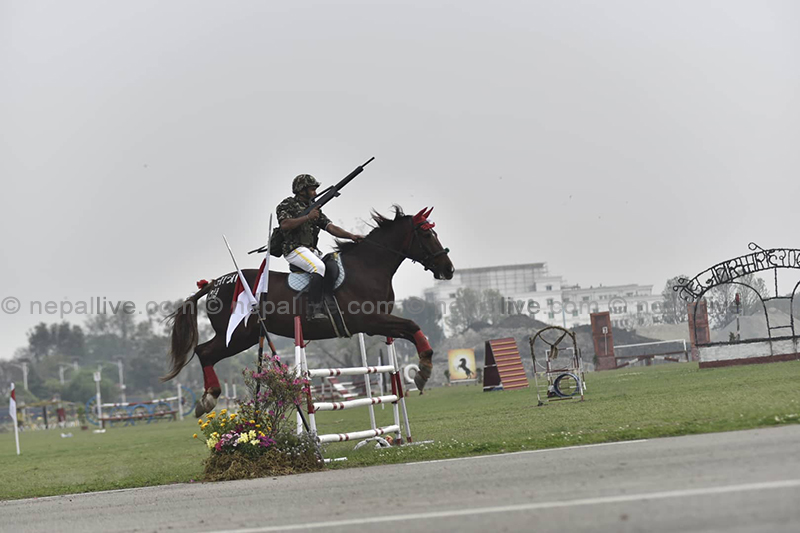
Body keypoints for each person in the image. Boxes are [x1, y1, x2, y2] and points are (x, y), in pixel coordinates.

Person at [276, 174, 364, 319]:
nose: (315, 193)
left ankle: (328, 299)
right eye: (312, 190)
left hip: (311, 250)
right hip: (294, 249)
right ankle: (314, 309)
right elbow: (285, 225)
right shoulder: (287, 204)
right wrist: (307, 217)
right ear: (301, 190)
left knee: (333, 265)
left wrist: (351, 236)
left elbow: (330, 227)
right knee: (319, 267)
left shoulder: (313, 208)